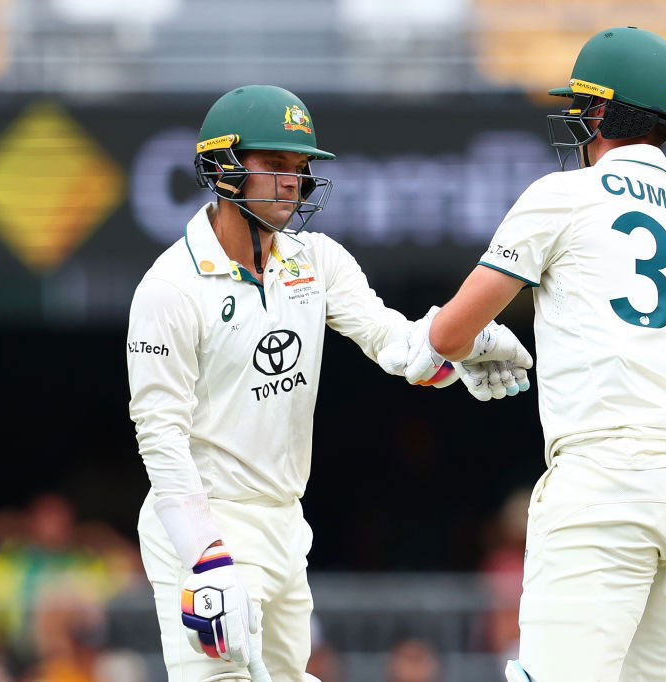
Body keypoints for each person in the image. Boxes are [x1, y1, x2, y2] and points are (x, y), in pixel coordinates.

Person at [127, 85, 533, 682]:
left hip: (285, 523)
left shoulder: (315, 261)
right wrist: (206, 560)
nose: (291, 182)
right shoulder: (169, 287)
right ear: (222, 166)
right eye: (274, 165)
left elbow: (400, 347)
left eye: (300, 168)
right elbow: (159, 436)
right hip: (205, 520)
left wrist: (467, 346)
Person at [402, 27, 666, 681]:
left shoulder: (563, 196)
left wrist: (483, 345)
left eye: (584, 105)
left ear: (601, 113)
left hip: (609, 481)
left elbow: (447, 336)